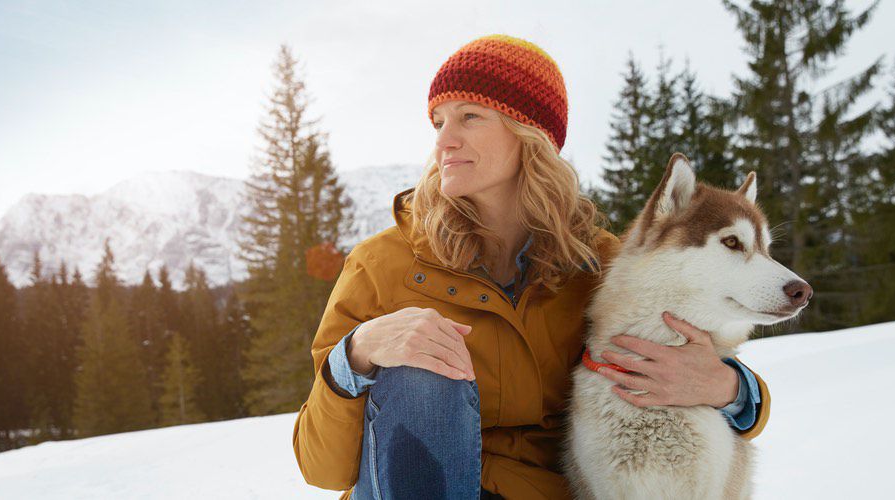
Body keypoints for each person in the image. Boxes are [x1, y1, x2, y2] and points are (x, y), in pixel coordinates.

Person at [291, 34, 770, 500]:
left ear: (530, 135)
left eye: (469, 117)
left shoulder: (600, 265)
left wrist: (729, 387)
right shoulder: (381, 264)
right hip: (412, 486)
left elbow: (699, 355)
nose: (444, 142)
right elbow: (321, 467)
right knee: (423, 366)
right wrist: (355, 354)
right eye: (438, 122)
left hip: (546, 488)